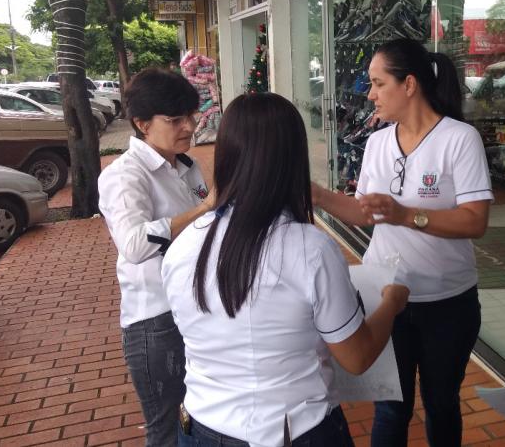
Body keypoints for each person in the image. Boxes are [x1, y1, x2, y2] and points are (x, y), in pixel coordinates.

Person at [161, 93, 409, 447]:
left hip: (201, 428)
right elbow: (357, 357)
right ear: (294, 159)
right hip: (293, 431)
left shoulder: (184, 246)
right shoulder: (309, 249)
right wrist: (391, 303)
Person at [313, 38, 493, 446]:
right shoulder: (377, 142)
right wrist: (319, 195)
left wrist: (406, 214)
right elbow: (366, 213)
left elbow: (475, 221)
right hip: (384, 297)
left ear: (408, 84)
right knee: (390, 406)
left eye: (378, 84)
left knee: (441, 401)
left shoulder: (459, 139)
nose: (370, 94)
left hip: (446, 302)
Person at [98, 68, 215, 446]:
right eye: (175, 119)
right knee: (166, 429)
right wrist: (203, 210)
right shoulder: (125, 175)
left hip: (196, 306)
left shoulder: (186, 165)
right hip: (156, 321)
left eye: (192, 116)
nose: (189, 126)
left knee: (198, 418)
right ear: (142, 124)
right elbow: (133, 245)